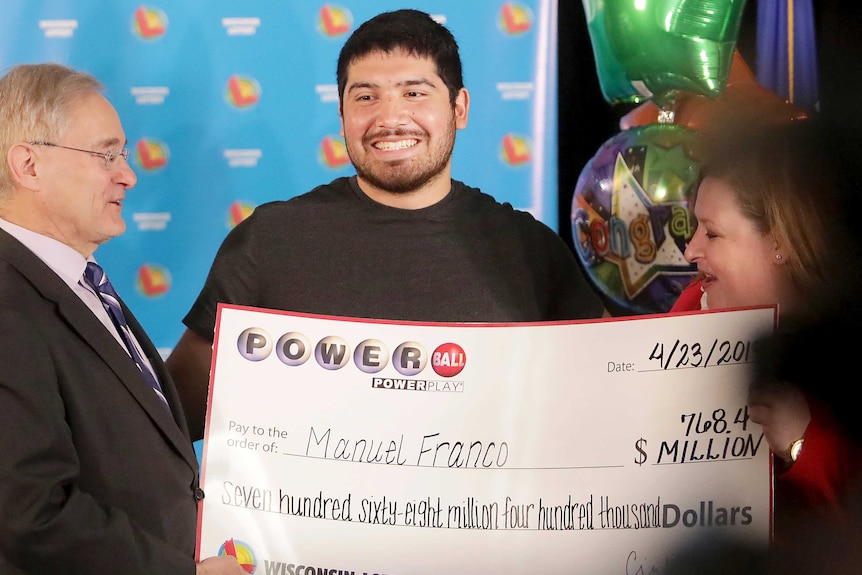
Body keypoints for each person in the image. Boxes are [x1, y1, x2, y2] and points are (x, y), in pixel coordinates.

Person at [166, 9, 605, 441]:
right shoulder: (270, 240)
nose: (390, 118)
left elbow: (604, 399)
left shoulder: (530, 249)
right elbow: (168, 424)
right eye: (365, 97)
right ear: (341, 114)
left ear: (459, 107)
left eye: (414, 93)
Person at [0, 63, 244, 575]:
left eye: (125, 154)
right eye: (105, 154)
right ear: (28, 165)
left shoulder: (78, 280)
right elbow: (27, 513)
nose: (128, 174)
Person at [670, 113, 862, 537]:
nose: (690, 251)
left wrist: (803, 442)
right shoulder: (689, 315)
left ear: (780, 243)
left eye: (712, 234)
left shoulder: (846, 351)